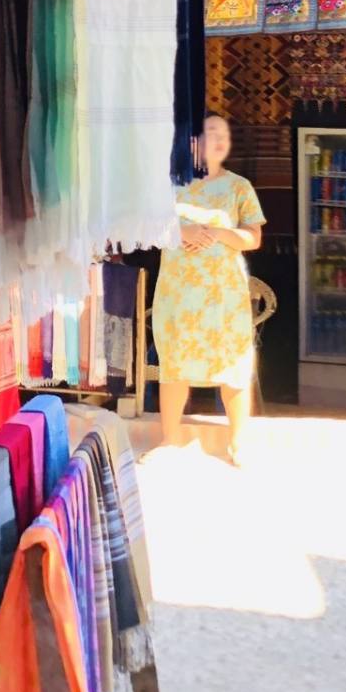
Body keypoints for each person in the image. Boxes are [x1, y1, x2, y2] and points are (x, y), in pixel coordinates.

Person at [152, 111, 266, 464]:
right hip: (178, 293)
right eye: (211, 132)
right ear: (192, 142)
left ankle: (238, 442)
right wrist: (180, 231)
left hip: (224, 295)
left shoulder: (239, 187)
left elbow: (253, 238)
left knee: (233, 366)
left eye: (223, 134)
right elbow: (148, 231)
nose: (219, 140)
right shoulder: (169, 185)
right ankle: (169, 440)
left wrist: (219, 233)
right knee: (175, 365)